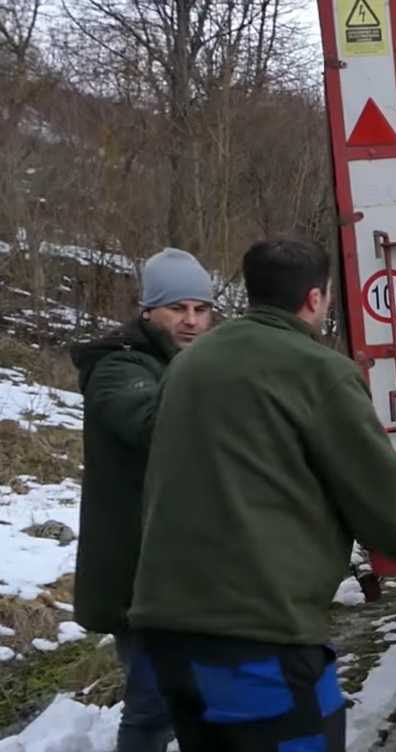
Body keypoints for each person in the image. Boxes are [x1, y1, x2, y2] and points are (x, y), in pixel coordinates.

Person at [127, 237, 396, 751]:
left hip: (167, 632)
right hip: (253, 632)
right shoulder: (318, 371)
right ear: (316, 298)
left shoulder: (190, 364)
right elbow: (383, 500)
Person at [69, 246, 216, 752]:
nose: (192, 322)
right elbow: (155, 425)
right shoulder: (117, 366)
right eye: (178, 309)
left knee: (198, 701)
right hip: (136, 575)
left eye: (201, 309)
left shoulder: (183, 362)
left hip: (181, 571)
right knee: (154, 708)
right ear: (149, 310)